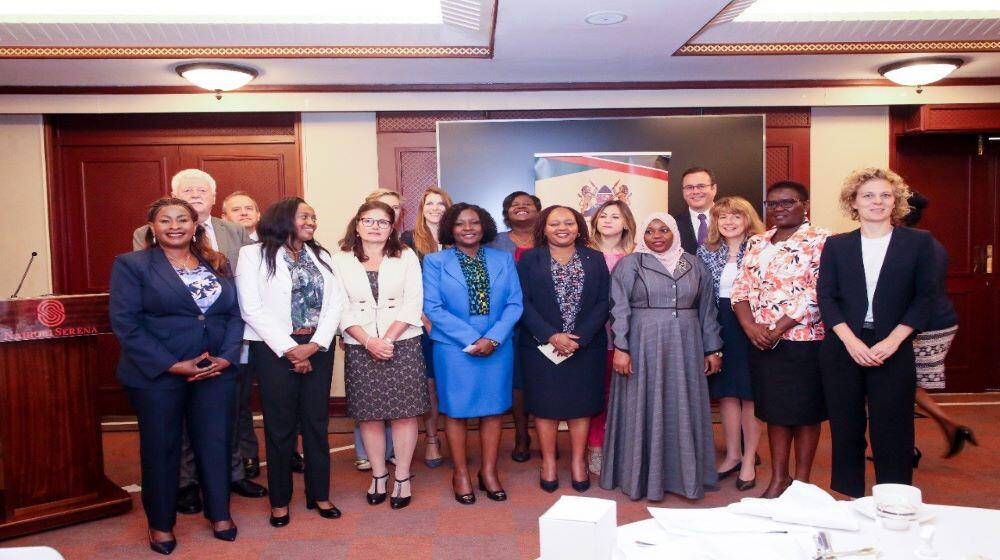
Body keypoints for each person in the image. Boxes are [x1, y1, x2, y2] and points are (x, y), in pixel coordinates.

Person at [110, 197, 243, 554]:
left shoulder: (216, 262)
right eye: (165, 220)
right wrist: (170, 364)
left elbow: (233, 315)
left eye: (182, 219)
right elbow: (126, 324)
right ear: (152, 227)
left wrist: (228, 358)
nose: (174, 226)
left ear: (195, 224)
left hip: (214, 370)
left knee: (215, 444)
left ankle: (220, 514)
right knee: (161, 449)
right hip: (157, 374)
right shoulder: (132, 264)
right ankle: (161, 524)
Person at [131, 169, 264, 512]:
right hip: (176, 348)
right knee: (183, 421)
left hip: (229, 341)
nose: (195, 194)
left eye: (202, 189)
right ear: (173, 196)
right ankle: (187, 483)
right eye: (187, 189)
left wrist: (230, 348)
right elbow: (147, 289)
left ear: (213, 197)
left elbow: (247, 284)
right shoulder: (146, 234)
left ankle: (232, 474)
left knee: (231, 411)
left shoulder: (234, 231)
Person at [818, 168, 936, 498]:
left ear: (896, 202)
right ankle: (849, 496)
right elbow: (826, 297)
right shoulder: (837, 245)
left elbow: (925, 297)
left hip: (893, 346)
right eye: (868, 195)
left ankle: (894, 501)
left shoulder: (918, 242)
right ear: (853, 203)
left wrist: (894, 341)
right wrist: (851, 342)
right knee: (846, 428)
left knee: (894, 429)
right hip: (845, 347)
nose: (877, 201)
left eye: (885, 195)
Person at [235, 197, 343, 526]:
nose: (311, 221)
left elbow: (335, 303)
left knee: (316, 424)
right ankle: (279, 501)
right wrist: (289, 348)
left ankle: (319, 494)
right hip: (273, 350)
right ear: (283, 219)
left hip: (318, 348)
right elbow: (250, 307)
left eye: (313, 216)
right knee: (279, 427)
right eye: (304, 216)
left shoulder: (321, 255)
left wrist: (316, 344)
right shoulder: (252, 254)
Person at [600, 213, 723, 501]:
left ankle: (686, 476)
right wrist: (622, 347)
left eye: (664, 230)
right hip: (643, 344)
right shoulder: (631, 264)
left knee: (682, 403)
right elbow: (618, 309)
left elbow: (707, 310)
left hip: (687, 345)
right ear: (642, 234)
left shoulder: (694, 264)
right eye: (650, 230)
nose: (657, 236)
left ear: (675, 233)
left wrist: (712, 348)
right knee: (643, 404)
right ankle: (640, 476)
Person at [731, 181, 830, 499]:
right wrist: (749, 327)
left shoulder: (822, 240)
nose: (779, 208)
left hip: (803, 338)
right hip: (760, 341)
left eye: (787, 202)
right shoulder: (758, 242)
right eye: (772, 204)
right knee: (774, 411)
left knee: (805, 412)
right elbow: (741, 288)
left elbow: (818, 291)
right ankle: (779, 478)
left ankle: (802, 483)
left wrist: (778, 328)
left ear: (805, 204)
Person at [423, 203, 523, 504]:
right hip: (454, 348)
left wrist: (492, 338)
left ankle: (489, 472)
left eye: (474, 222)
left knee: (493, 410)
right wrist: (472, 339)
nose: (468, 228)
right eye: (460, 223)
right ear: (450, 229)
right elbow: (432, 307)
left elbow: (515, 303)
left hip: (497, 345)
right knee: (456, 410)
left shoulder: (503, 259)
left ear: (484, 226)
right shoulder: (434, 261)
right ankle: (461, 473)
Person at [333, 201, 429, 509]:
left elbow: (414, 301)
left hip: (402, 342)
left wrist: (386, 339)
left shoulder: (406, 256)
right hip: (361, 345)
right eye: (368, 221)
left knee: (405, 412)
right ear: (357, 224)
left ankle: (401, 475)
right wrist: (368, 341)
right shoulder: (340, 259)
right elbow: (339, 306)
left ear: (392, 228)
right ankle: (378, 474)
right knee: (369, 414)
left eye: (383, 222)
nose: (375, 227)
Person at [518, 206, 610, 492]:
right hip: (541, 346)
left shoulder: (594, 258)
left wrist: (579, 337)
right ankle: (547, 462)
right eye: (554, 223)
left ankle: (578, 462)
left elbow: (604, 302)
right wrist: (551, 335)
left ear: (578, 227)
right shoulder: (528, 259)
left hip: (585, 345)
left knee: (581, 406)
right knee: (545, 407)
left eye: (569, 222)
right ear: (543, 228)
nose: (562, 227)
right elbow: (521, 302)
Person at [696, 196, 766, 490]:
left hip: (752, 325)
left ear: (747, 218)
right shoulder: (706, 251)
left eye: (736, 216)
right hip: (719, 324)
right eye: (723, 217)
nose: (729, 222)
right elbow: (701, 296)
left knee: (750, 394)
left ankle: (749, 459)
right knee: (725, 393)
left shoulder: (764, 249)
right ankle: (733, 455)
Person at [902, 193, 976, 459]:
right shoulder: (928, 241)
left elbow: (918, 292)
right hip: (932, 321)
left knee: (902, 384)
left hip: (925, 325)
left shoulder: (916, 245)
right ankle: (910, 446)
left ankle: (949, 426)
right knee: (904, 386)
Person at [401, 186, 454, 469]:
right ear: (422, 208)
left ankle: (456, 438)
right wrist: (425, 318)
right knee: (430, 384)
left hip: (456, 325)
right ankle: (432, 438)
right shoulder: (408, 240)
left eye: (440, 203)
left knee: (454, 382)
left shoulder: (459, 237)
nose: (435, 208)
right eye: (429, 203)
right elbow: (407, 286)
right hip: (423, 325)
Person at [489, 190, 542, 463]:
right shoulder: (494, 243)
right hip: (508, 323)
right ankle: (522, 436)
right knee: (517, 383)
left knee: (546, 380)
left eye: (527, 204)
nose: (521, 207)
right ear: (506, 212)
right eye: (514, 204)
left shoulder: (550, 239)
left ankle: (546, 437)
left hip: (546, 322)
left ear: (538, 210)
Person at [584, 200, 636, 475]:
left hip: (629, 335)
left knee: (627, 392)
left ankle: (626, 447)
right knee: (598, 391)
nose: (607, 220)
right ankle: (595, 447)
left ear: (626, 223)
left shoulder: (638, 255)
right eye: (602, 216)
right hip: (594, 335)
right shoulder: (584, 253)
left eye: (615, 216)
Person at [222, 191, 266, 481]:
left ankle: (288, 452)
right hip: (236, 334)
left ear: (258, 214)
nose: (244, 213)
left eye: (249, 208)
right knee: (239, 400)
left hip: (270, 334)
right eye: (235, 210)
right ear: (224, 218)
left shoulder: (273, 245)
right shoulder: (221, 247)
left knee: (278, 397)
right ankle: (246, 454)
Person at [672, 167, 719, 254]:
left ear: (714, 189)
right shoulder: (672, 224)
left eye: (701, 186)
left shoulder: (732, 220)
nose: (695, 191)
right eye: (689, 187)